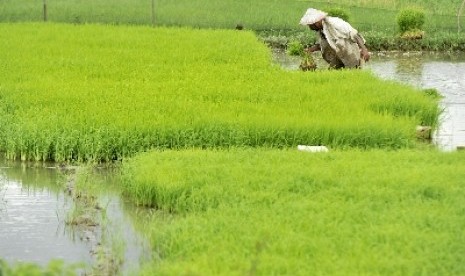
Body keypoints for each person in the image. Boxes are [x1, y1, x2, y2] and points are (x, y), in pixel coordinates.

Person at [299, 8, 370, 69]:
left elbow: (354, 34)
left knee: (353, 73)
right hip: (338, 56)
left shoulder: (335, 23)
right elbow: (321, 44)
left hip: (350, 53)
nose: (310, 28)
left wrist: (364, 49)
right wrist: (310, 50)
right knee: (333, 74)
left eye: (310, 25)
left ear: (316, 22)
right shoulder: (320, 30)